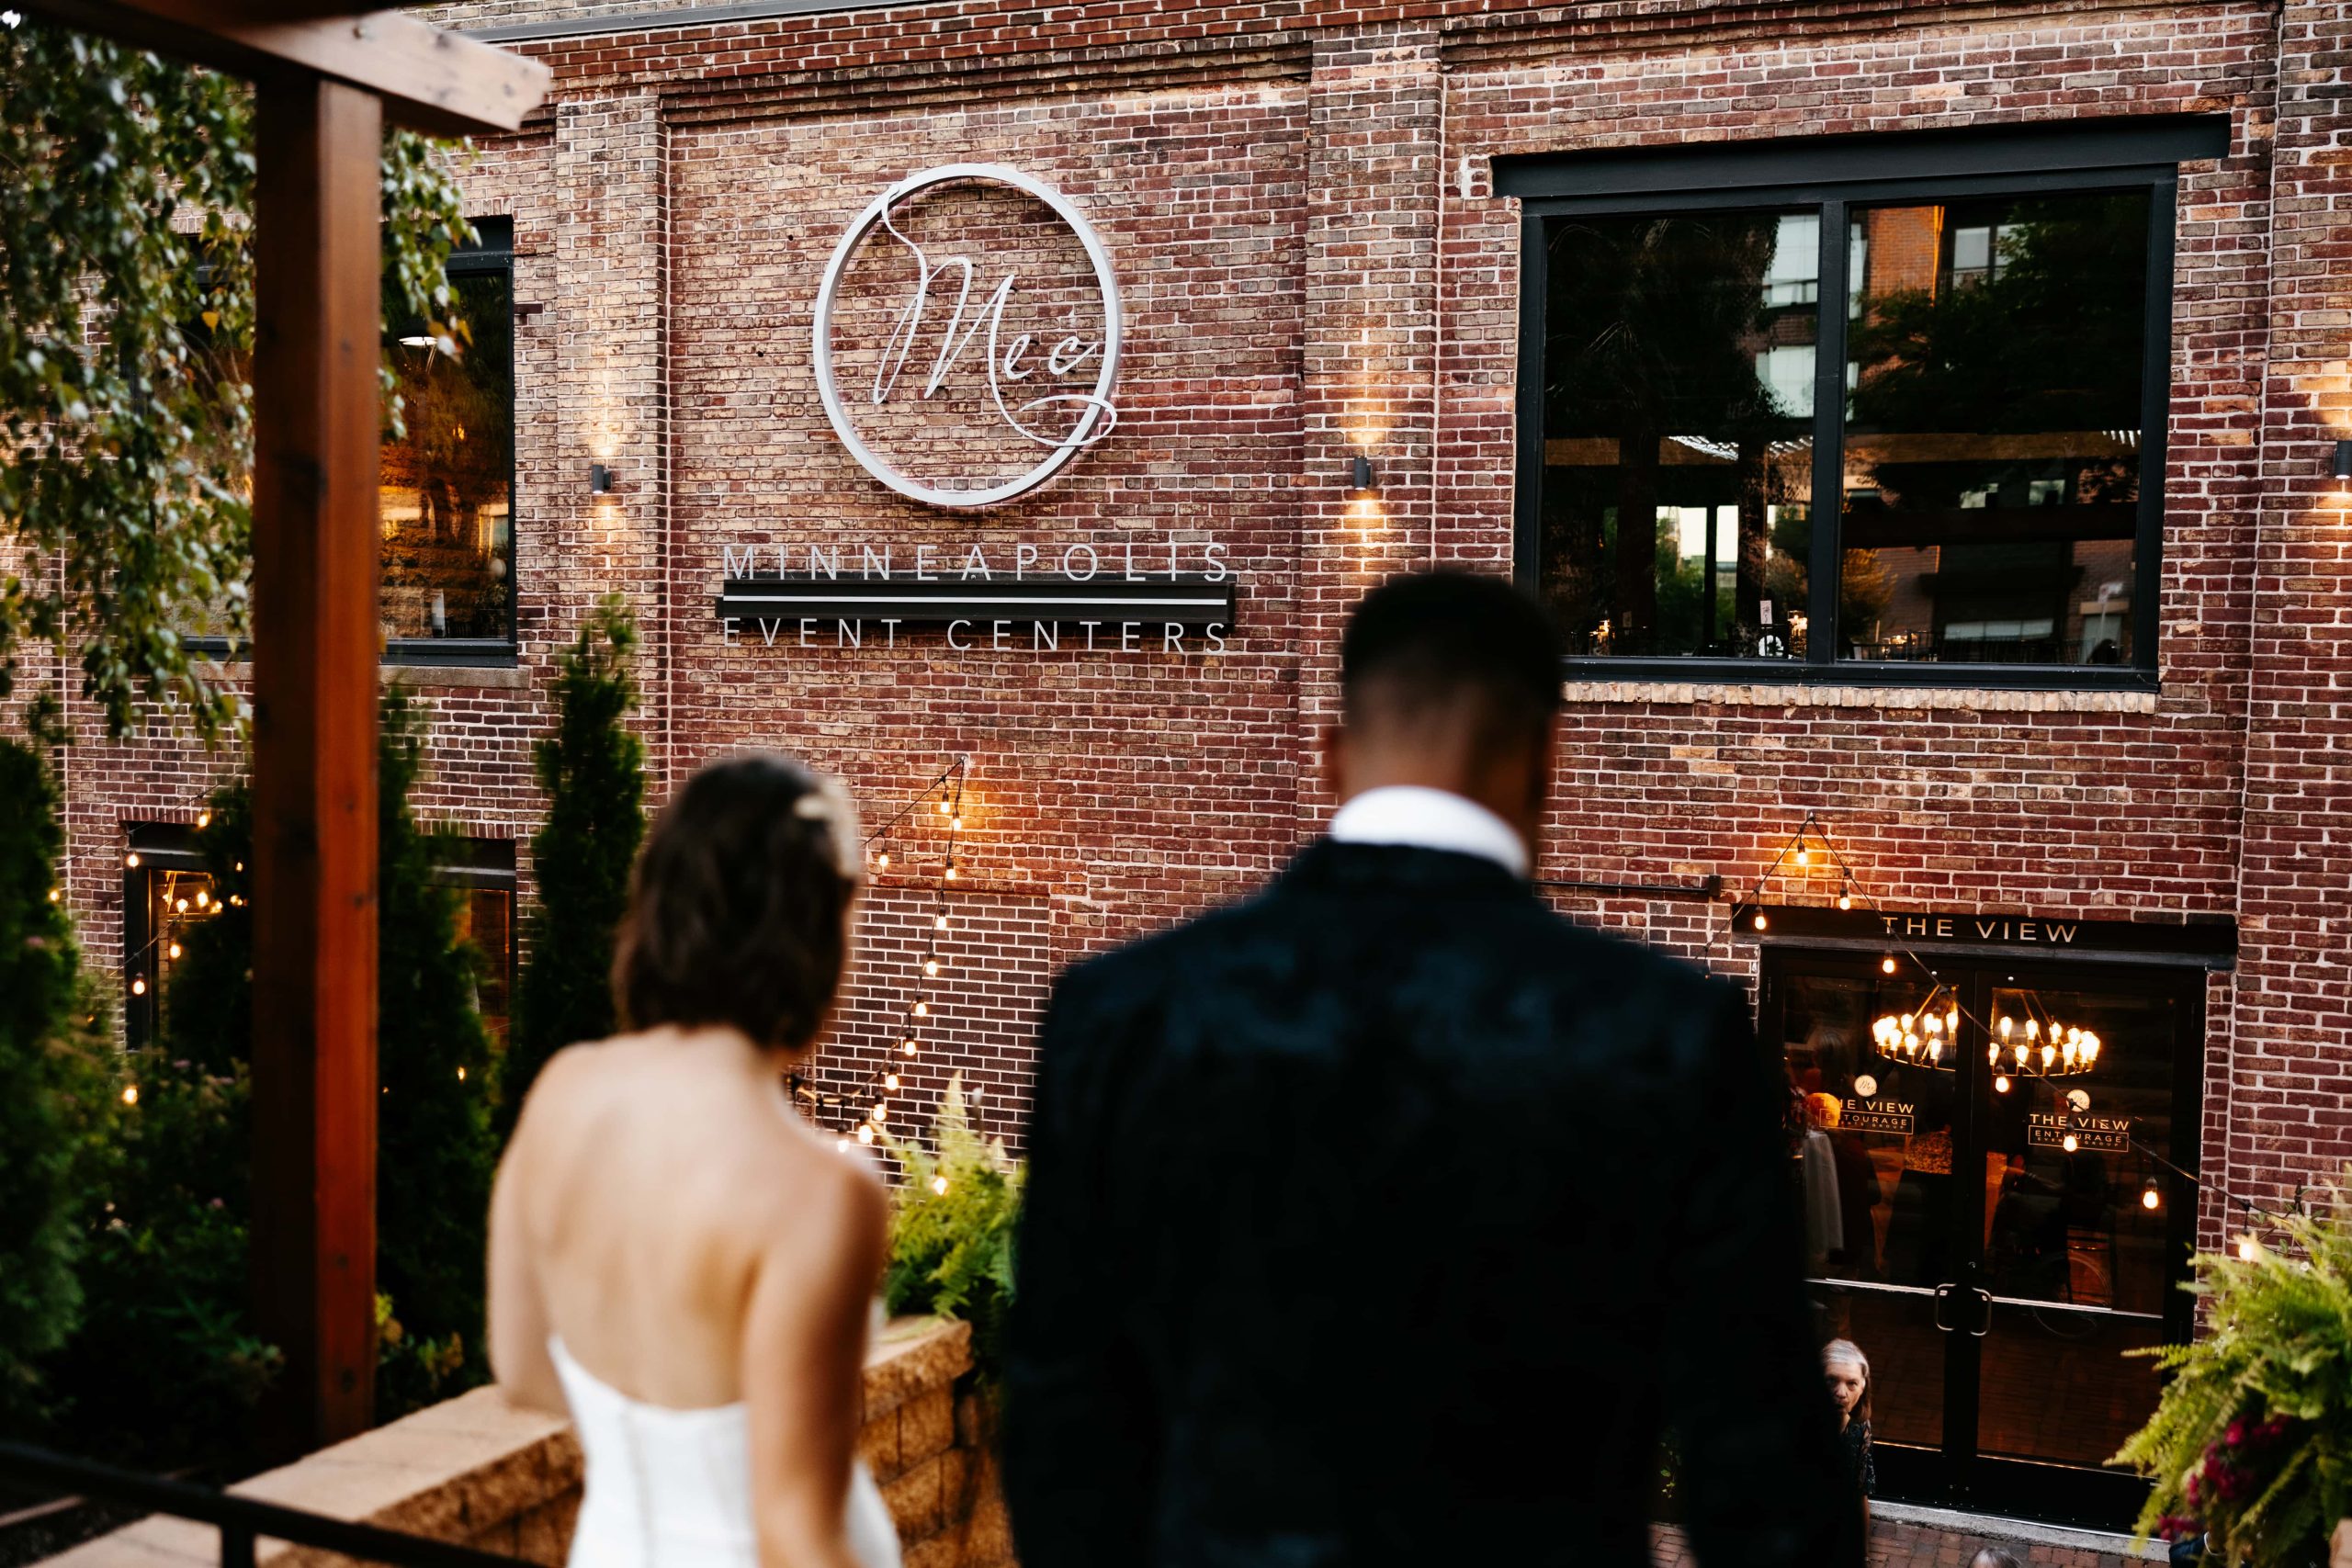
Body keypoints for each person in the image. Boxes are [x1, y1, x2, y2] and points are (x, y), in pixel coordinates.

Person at [1002, 570, 1862, 1568]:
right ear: (1546, 758)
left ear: (1331, 759)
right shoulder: (1667, 1033)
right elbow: (1762, 1479)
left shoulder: (1123, 1013)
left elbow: (1064, 1431)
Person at [487, 754, 901, 1568]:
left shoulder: (563, 1090)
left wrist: (661, 1446)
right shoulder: (822, 1190)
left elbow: (522, 1367)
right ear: (813, 932)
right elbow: (796, 1534)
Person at [1823, 1338, 1875, 1513]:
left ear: (1862, 1386)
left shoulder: (1859, 1428)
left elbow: (1859, 1495)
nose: (1841, 1393)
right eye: (1831, 1381)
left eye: (1851, 1383)